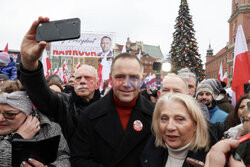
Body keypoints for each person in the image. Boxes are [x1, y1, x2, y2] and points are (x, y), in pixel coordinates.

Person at [18, 17, 101, 144]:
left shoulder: (109, 105)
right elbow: (40, 93)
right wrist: (29, 62)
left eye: (88, 78)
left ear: (97, 84)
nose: (82, 81)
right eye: (78, 78)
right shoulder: (63, 103)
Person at [70, 52, 155, 167]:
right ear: (110, 79)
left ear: (142, 79)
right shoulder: (89, 115)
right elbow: (79, 159)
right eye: (120, 77)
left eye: (134, 77)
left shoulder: (156, 115)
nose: (127, 84)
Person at [0, 80, 70, 167]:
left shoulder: (48, 127)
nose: (0, 119)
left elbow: (64, 158)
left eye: (10, 114)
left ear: (27, 113)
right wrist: (18, 138)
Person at [140, 93, 213, 167]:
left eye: (180, 119)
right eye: (164, 118)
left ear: (195, 124)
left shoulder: (211, 160)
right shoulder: (148, 151)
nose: (170, 127)